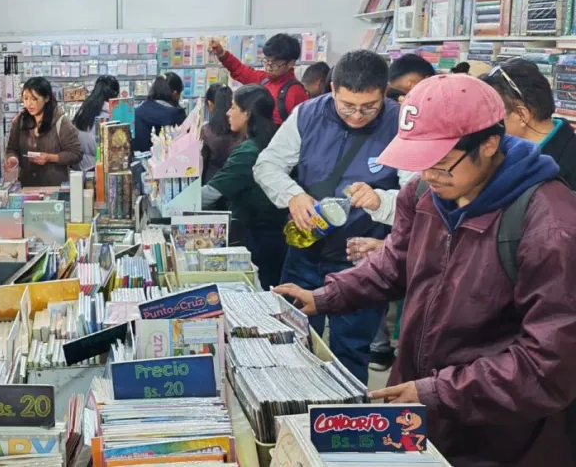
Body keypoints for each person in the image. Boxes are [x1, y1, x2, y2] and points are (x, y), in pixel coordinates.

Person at [275, 74, 576, 467]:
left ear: (488, 142)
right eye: (419, 161)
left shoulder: (551, 225)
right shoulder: (422, 194)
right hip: (421, 410)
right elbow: (394, 264)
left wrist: (439, 392)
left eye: (440, 161)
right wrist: (324, 297)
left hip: (501, 437)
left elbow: (548, 364)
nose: (429, 174)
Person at [254, 49, 413, 384]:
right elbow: (267, 165)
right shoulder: (307, 114)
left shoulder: (403, 125)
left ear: (385, 93)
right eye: (347, 105)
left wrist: (379, 201)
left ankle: (344, 422)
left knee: (351, 351)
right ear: (332, 89)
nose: (357, 115)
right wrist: (293, 195)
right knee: (292, 342)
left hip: (362, 259)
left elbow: (421, 198)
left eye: (369, 106)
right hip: (305, 250)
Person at [200, 85, 287, 290]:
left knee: (260, 289)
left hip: (257, 235)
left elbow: (212, 193)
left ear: (247, 113)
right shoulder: (274, 140)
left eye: (233, 107)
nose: (228, 113)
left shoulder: (249, 152)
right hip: (276, 232)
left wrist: (173, 207)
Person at [483, 58, 576, 188]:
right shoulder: (502, 150)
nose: (486, 122)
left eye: (493, 114)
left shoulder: (566, 169)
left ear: (522, 115)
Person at [209, 34, 309, 124]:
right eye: (267, 60)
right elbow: (240, 70)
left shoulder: (295, 92)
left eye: (275, 63)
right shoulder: (264, 79)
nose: (269, 67)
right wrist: (221, 53)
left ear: (291, 63)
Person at [4, 76, 82, 187]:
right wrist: (12, 159)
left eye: (34, 99)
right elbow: (12, 149)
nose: (28, 104)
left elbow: (76, 154)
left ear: (46, 98)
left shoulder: (61, 121)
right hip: (27, 188)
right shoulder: (19, 121)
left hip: (55, 189)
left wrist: (50, 157)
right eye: (25, 99)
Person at [72, 75, 119, 171]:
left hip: (80, 165)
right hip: (97, 167)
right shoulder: (110, 114)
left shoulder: (85, 109)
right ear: (115, 93)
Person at [133, 72, 187, 152]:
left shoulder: (138, 111)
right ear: (175, 93)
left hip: (138, 160)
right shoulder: (176, 114)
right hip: (166, 161)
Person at [200, 84, 243, 184]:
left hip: (212, 181)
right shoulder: (240, 128)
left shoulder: (207, 131)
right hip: (236, 181)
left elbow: (202, 162)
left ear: (210, 104)